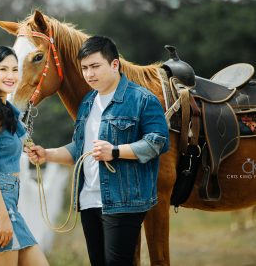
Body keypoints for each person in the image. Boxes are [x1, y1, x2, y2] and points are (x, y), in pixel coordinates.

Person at [26, 36, 169, 266]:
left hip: (123, 201)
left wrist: (115, 151)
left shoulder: (142, 99)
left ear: (114, 65)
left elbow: (158, 143)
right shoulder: (87, 103)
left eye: (95, 66)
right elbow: (79, 148)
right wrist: (48, 154)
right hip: (88, 200)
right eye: (84, 68)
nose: (89, 74)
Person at [0, 46, 49, 266]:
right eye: (3, 69)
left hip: (9, 203)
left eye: (15, 69)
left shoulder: (7, 110)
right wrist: (2, 217)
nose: (11, 75)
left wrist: (33, 149)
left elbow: (23, 136)